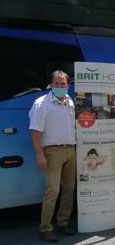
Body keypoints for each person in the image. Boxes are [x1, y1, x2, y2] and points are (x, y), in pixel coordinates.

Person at [29, 70, 77, 242]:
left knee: (69, 189)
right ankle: (45, 228)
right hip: (52, 151)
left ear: (68, 85)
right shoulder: (41, 104)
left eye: (63, 84)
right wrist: (39, 154)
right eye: (56, 83)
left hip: (71, 149)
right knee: (53, 191)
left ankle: (63, 223)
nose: (60, 86)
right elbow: (34, 131)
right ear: (51, 85)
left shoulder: (70, 101)